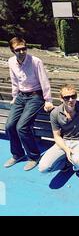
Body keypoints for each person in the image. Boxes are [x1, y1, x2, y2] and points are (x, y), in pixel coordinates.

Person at [4, 37, 53, 171]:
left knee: (22, 126)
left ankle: (34, 156)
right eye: (17, 50)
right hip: (21, 96)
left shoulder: (36, 61)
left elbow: (44, 81)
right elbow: (14, 81)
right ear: (12, 51)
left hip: (35, 96)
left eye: (23, 48)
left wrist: (48, 100)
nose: (21, 52)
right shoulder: (11, 62)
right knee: (9, 126)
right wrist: (15, 97)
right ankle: (17, 154)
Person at [39, 84, 79, 176]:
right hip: (64, 141)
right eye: (67, 97)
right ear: (61, 98)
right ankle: (65, 164)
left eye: (73, 96)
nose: (71, 100)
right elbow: (57, 136)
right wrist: (66, 149)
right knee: (43, 168)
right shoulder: (55, 113)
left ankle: (77, 166)